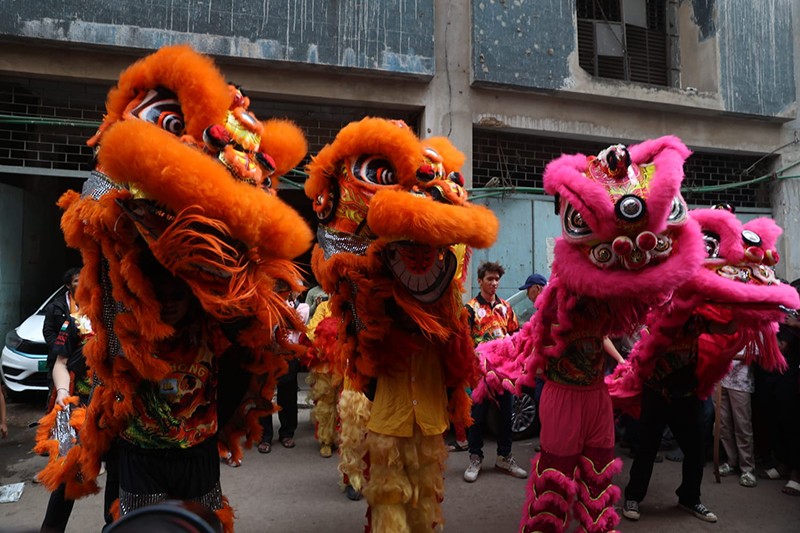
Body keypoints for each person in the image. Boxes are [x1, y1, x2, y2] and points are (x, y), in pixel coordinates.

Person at [621, 314, 735, 524]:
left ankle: (690, 498)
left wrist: (753, 314)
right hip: (657, 391)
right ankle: (633, 496)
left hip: (687, 395)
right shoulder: (659, 314)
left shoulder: (697, 318)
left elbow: (726, 328)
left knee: (695, 449)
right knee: (647, 448)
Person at [463, 261, 527, 482]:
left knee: (505, 417)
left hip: (503, 373)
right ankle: (475, 457)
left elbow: (514, 335)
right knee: (477, 418)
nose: (494, 283)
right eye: (489, 279)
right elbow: (463, 341)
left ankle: (504, 457)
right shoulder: (470, 309)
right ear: (480, 281)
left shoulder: (505, 308)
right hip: (479, 374)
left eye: (497, 279)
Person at [257, 281, 307, 454]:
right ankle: (264, 436)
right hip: (267, 355)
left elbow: (295, 324)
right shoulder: (264, 306)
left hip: (288, 356)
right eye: (277, 287)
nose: (279, 290)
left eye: (284, 287)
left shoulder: (301, 307)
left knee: (287, 395)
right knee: (264, 395)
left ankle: (287, 432)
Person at [718, 351, 757, 488]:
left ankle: (747, 468)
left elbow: (754, 354)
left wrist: (725, 355)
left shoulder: (753, 330)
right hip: (720, 377)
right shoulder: (723, 328)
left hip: (741, 380)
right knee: (723, 424)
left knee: (742, 425)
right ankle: (731, 461)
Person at [42, 268, 81, 408]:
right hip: (61, 357)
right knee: (58, 404)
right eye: (77, 281)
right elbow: (48, 332)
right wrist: (61, 346)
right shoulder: (56, 307)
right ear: (68, 285)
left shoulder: (97, 308)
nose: (82, 283)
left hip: (87, 370)